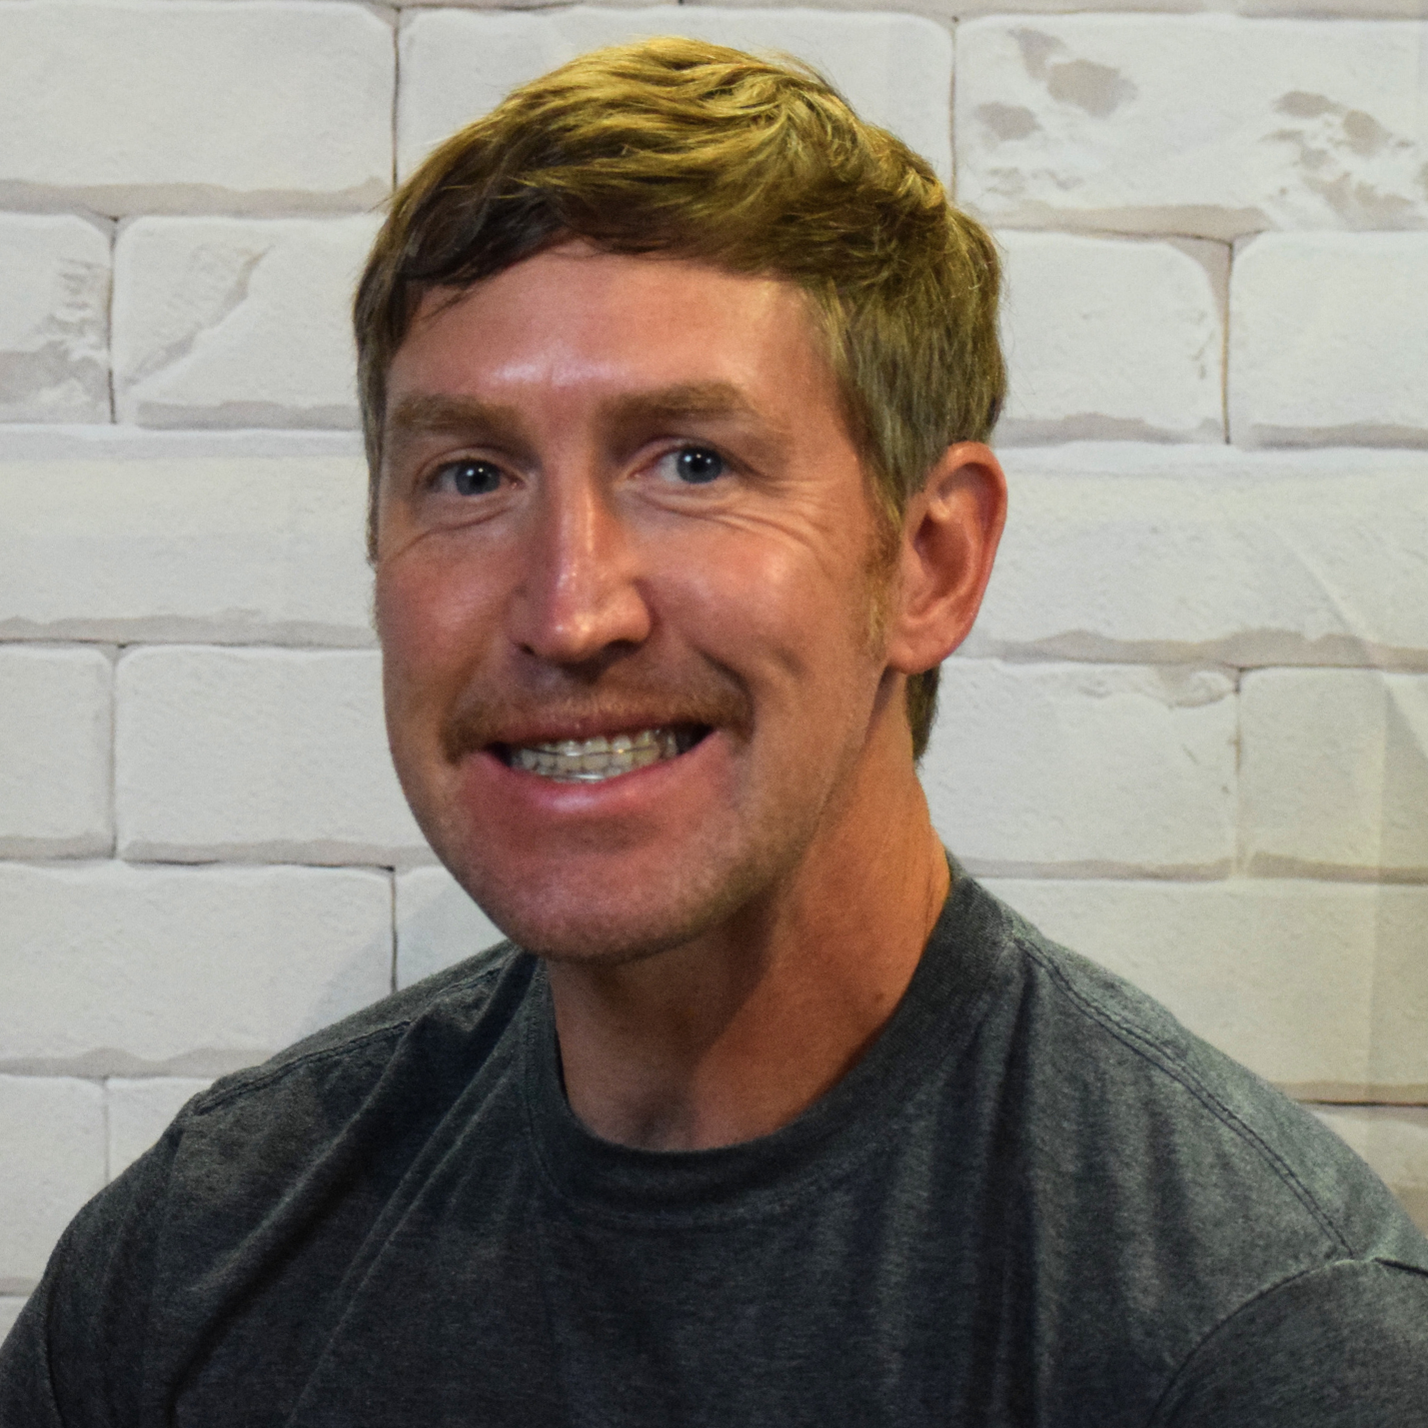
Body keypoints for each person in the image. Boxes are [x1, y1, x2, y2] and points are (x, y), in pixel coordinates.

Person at [3, 37, 1426, 1426]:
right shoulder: (189, 1271)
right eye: (470, 474)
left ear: (930, 565)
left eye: (693, 463)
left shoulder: (1257, 1336)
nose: (569, 610)